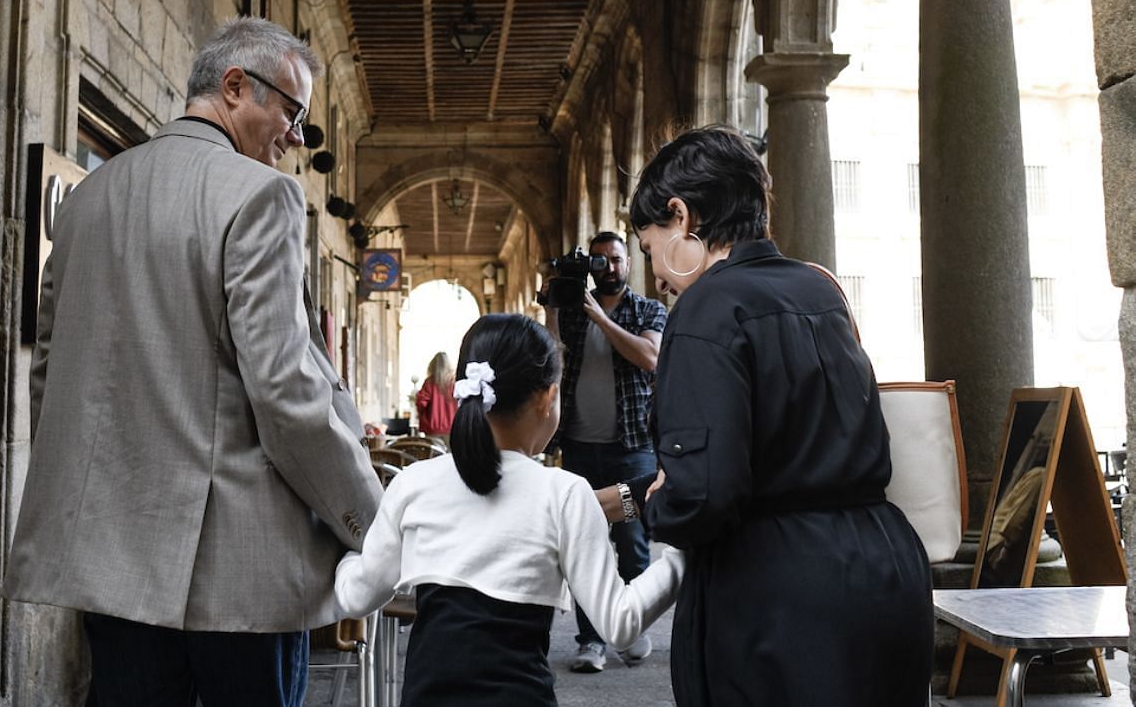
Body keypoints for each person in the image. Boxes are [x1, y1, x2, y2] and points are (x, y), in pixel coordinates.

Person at [4, 17, 383, 706]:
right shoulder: (259, 195)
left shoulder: (89, 198)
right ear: (235, 87)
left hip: (113, 566)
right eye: (292, 112)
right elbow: (287, 396)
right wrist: (369, 521)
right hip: (239, 579)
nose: (296, 137)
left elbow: (51, 371)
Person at [631, 125, 933, 705]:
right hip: (886, 573)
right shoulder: (820, 289)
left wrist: (654, 504)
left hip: (779, 597)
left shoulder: (705, 311)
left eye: (651, 249)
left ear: (681, 216)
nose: (659, 278)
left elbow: (703, 495)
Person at [335, 314, 684, 707]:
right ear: (547, 398)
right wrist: (682, 557)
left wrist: (345, 557)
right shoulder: (565, 492)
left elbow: (357, 596)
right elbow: (621, 623)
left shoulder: (413, 484)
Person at [545, 230, 667, 672]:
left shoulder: (648, 309)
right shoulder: (575, 311)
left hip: (632, 447)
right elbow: (551, 357)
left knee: (633, 544)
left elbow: (650, 357)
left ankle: (630, 628)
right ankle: (591, 640)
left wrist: (599, 317)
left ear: (628, 263)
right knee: (583, 543)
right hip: (579, 445)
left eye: (615, 260)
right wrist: (553, 308)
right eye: (599, 261)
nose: (608, 268)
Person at [414, 351, 457, 442]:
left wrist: (421, 414)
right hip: (453, 428)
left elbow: (421, 403)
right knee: (451, 455)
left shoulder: (429, 382)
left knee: (434, 455)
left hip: (432, 430)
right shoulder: (455, 383)